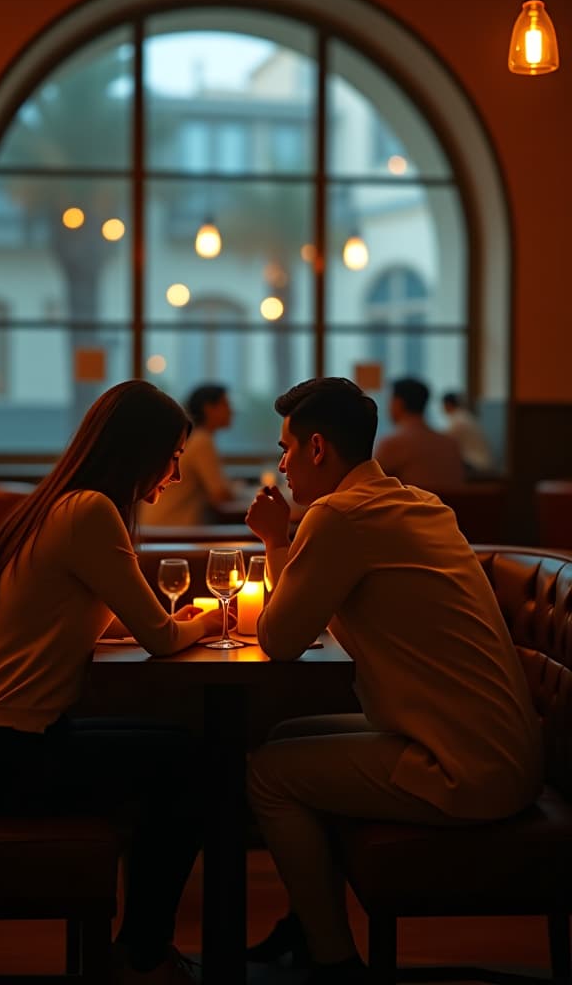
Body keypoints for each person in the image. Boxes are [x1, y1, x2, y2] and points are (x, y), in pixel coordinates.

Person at [244, 377, 543, 985]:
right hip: (511, 751)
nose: (283, 464)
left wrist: (276, 538)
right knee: (287, 735)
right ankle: (310, 919)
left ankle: (332, 959)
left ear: (318, 448)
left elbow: (279, 640)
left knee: (267, 774)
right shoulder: (419, 503)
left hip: (466, 768)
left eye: (287, 449)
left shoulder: (339, 515)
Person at [0, 380, 224, 985]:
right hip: (14, 755)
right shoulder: (90, 511)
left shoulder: (55, 504)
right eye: (173, 457)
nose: (176, 476)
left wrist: (166, 626)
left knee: (183, 749)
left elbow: (75, 626)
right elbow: (161, 638)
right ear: (140, 450)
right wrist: (215, 616)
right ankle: (142, 956)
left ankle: (136, 949)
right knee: (194, 765)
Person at [139, 383, 235, 526]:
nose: (231, 411)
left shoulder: (194, 437)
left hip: (156, 524)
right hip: (171, 528)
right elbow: (219, 494)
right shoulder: (201, 441)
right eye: (225, 404)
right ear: (209, 408)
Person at [374, 376, 465, 489]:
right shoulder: (451, 444)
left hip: (414, 506)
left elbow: (371, 483)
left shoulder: (393, 443)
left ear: (398, 403)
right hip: (450, 507)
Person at [442, 390, 494, 475]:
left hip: (476, 463)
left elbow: (445, 443)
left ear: (448, 404)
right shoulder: (463, 416)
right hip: (481, 462)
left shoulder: (458, 420)